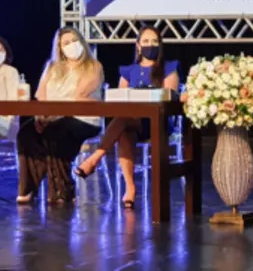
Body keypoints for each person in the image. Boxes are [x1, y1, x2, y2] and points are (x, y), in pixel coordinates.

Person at [72, 26, 179, 209]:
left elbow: (170, 97)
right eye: (145, 41)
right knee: (124, 127)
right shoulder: (128, 71)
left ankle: (94, 159)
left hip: (158, 122)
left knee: (123, 122)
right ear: (138, 46)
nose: (150, 45)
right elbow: (122, 100)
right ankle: (130, 188)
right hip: (132, 123)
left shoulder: (169, 68)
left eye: (154, 41)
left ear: (160, 45)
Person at [16, 27, 103, 204]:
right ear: (59, 48)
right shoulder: (51, 67)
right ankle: (28, 187)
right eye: (66, 43)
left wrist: (53, 116)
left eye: (74, 40)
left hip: (84, 118)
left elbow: (80, 96)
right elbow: (41, 95)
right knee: (26, 133)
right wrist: (41, 117)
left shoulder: (93, 66)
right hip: (52, 118)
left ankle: (62, 190)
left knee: (56, 132)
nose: (71, 45)